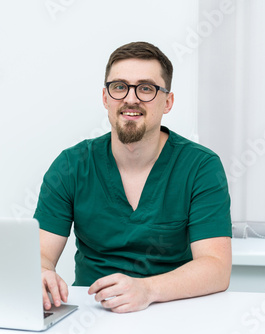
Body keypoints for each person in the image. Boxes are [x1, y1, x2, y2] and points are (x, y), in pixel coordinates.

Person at [34, 41, 232, 314]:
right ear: (105, 98)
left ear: (168, 102)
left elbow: (216, 267)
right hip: (92, 312)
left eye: (146, 88)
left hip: (174, 310)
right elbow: (41, 254)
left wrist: (147, 290)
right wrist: (41, 271)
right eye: (119, 87)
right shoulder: (71, 166)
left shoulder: (200, 166)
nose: (131, 98)